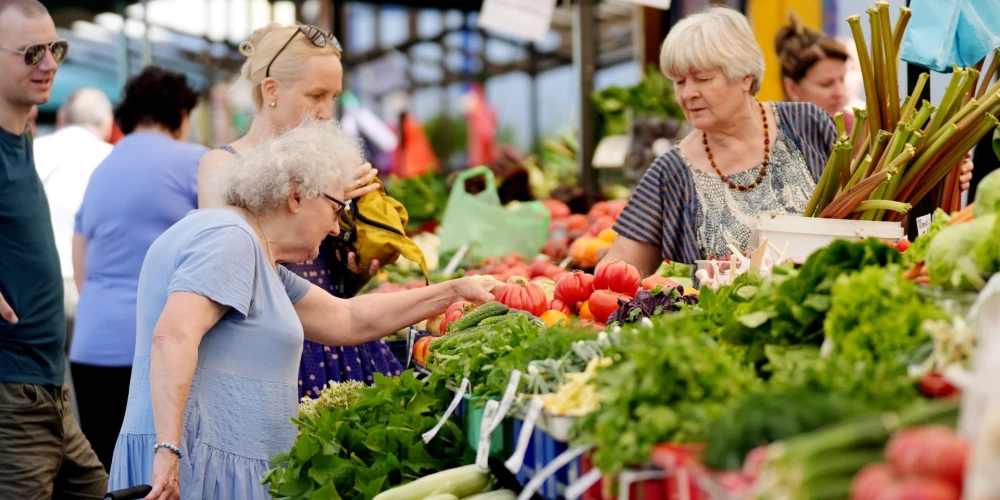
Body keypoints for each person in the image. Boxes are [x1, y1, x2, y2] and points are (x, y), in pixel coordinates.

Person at [109, 118, 497, 499]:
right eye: (335, 209)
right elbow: (174, 335)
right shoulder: (230, 241)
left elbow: (347, 319)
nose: (335, 228)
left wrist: (455, 290)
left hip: (211, 467)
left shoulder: (256, 255)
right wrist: (169, 450)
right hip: (193, 471)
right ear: (295, 197)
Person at [603, 6, 974, 274]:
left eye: (701, 78)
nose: (687, 94)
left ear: (744, 76)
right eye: (679, 81)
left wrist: (940, 180)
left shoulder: (807, 123)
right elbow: (618, 269)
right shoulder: (669, 173)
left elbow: (876, 213)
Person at [198, 22, 402, 399]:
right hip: (274, 355)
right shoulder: (221, 167)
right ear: (271, 90)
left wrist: (358, 268)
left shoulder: (334, 164)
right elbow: (238, 272)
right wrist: (322, 196)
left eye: (334, 97)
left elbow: (332, 285)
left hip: (341, 345)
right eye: (316, 96)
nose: (327, 113)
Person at [71, 67, 205, 472]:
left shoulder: (102, 167)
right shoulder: (196, 161)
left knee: (111, 477)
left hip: (91, 346)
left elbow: (82, 259)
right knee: (162, 479)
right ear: (181, 113)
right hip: (156, 351)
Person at [0, 0, 108, 497]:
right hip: (13, 400)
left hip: (49, 393)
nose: (50, 65)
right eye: (31, 53)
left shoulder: (21, 133)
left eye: (55, 48)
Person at [33, 87, 114, 338]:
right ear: (108, 124)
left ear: (60, 117)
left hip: (34, 285)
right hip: (88, 286)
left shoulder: (32, 151)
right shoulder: (112, 159)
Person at [774, 13, 852, 127]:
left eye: (842, 80)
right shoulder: (770, 136)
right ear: (792, 88)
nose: (840, 92)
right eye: (826, 84)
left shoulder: (857, 130)